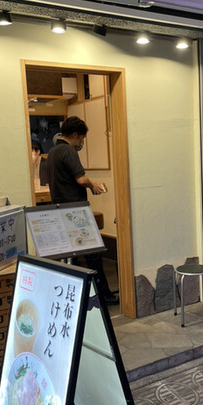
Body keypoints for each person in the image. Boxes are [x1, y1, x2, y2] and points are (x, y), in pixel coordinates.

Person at [46, 116, 118, 305]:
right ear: (75, 135)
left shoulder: (52, 152)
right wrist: (93, 185)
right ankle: (103, 296)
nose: (81, 143)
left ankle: (78, 296)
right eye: (81, 139)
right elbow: (81, 179)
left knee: (73, 258)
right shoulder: (68, 151)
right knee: (93, 255)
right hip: (76, 212)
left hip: (59, 211)